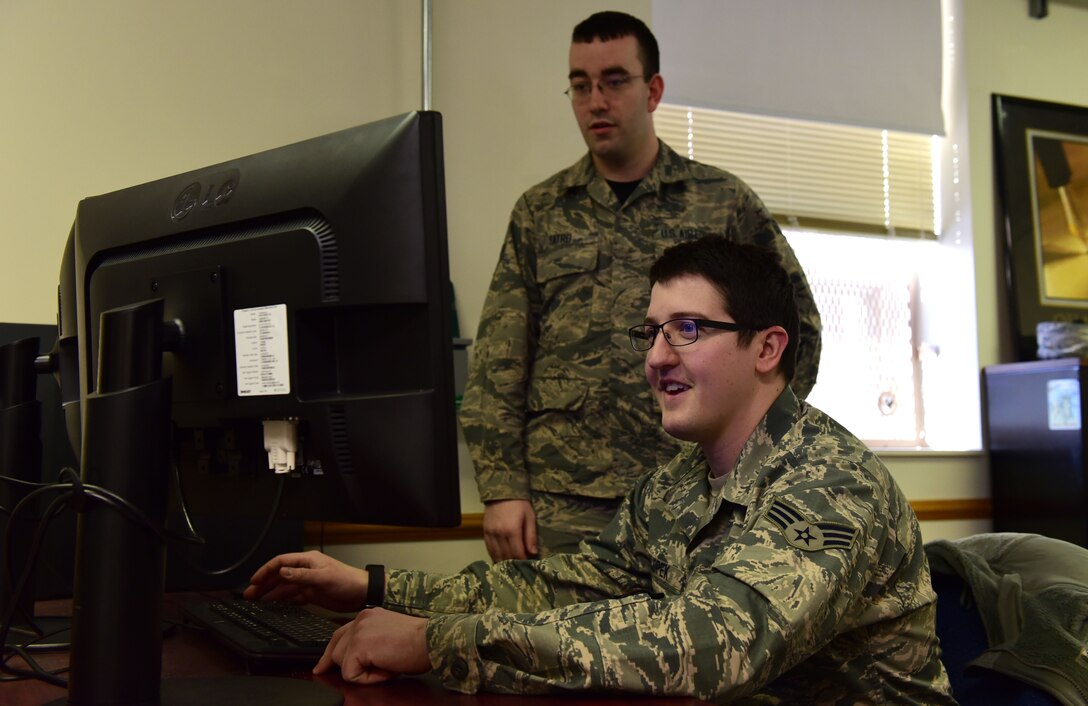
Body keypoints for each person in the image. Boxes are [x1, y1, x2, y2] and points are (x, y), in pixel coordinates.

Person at [246, 237, 953, 703]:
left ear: (768, 348)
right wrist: (373, 586)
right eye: (651, 331)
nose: (655, 357)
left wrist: (434, 643)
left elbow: (716, 647)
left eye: (689, 329)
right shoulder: (677, 483)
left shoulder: (832, 482)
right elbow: (563, 586)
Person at [458, 10, 822, 562]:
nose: (595, 101)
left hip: (697, 493)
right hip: (566, 501)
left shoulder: (721, 202)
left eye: (614, 81)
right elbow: (498, 363)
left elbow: (798, 332)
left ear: (652, 90)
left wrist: (755, 448)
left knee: (688, 644)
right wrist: (503, 487)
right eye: (580, 86)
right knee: (552, 643)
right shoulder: (541, 212)